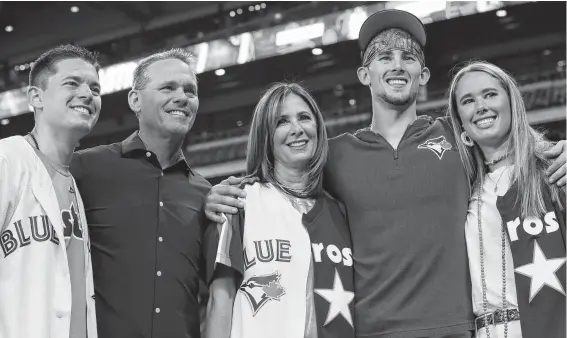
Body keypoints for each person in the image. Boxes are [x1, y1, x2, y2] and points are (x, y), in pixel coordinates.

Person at [203, 9, 567, 338]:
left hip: (455, 329)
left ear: (422, 74)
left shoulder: (458, 136)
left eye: (408, 58)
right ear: (365, 73)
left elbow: (515, 148)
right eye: (384, 57)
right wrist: (223, 193)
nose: (397, 65)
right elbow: (283, 188)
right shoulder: (333, 153)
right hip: (370, 331)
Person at [70, 49, 211, 338]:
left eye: (190, 90)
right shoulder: (84, 168)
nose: (182, 97)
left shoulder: (205, 193)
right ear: (135, 100)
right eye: (168, 88)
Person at [205, 82, 354, 338]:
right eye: (282, 122)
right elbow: (222, 297)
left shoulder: (342, 211)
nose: (297, 129)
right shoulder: (239, 201)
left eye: (304, 117)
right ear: (266, 135)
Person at [447, 61, 565, 338]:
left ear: (512, 102)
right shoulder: (461, 189)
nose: (480, 107)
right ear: (460, 121)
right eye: (468, 101)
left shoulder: (553, 171)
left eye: (490, 94)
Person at [0, 45, 100, 338]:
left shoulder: (75, 185)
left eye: (95, 87)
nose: (87, 94)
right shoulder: (8, 160)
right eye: (72, 83)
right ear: (36, 96)